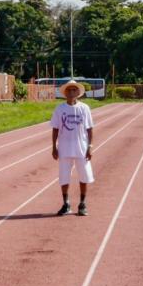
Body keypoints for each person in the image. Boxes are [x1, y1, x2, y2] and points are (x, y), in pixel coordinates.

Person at [51, 80, 94, 216]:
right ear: (65, 93)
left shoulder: (84, 108)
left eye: (74, 90)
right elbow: (55, 129)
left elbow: (90, 129)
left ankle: (82, 204)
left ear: (78, 93)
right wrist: (54, 147)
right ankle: (66, 203)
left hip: (81, 147)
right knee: (64, 176)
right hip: (64, 147)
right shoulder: (60, 109)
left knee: (84, 175)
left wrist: (90, 147)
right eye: (69, 90)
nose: (71, 92)